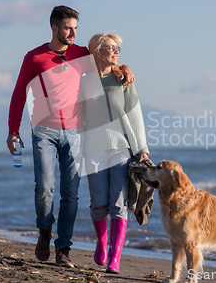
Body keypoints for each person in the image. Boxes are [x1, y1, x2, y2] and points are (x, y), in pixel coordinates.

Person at [6, 6, 135, 267]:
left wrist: (125, 66)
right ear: (54, 28)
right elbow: (19, 94)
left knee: (71, 194)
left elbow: (106, 59)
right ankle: (44, 230)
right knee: (45, 188)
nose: (73, 33)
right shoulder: (34, 57)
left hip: (76, 132)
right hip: (44, 131)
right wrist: (13, 130)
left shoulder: (81, 54)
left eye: (76, 28)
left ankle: (63, 248)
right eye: (68, 28)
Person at [81, 32, 149, 274]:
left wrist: (141, 148)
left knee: (118, 204)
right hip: (92, 150)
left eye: (117, 48)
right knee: (99, 204)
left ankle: (115, 256)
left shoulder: (124, 80)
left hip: (121, 149)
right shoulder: (84, 80)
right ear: (97, 52)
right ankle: (101, 242)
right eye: (110, 48)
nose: (116, 51)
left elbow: (135, 115)